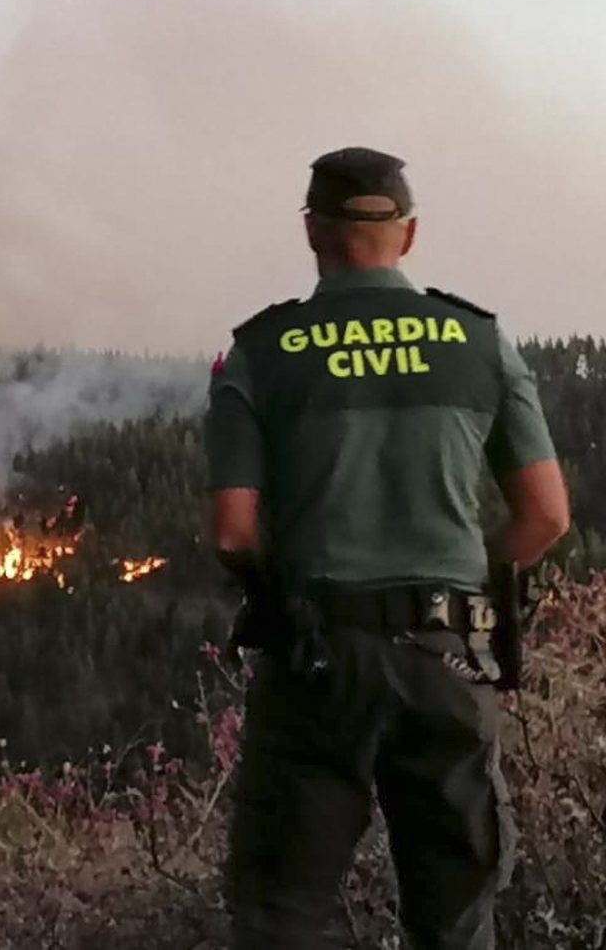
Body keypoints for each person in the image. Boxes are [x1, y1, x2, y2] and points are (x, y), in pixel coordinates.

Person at [205, 147, 571, 950]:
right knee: (456, 918)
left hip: (317, 660)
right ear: (407, 235)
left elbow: (233, 527)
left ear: (312, 232)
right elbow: (545, 515)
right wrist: (465, 571)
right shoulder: (479, 341)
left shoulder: (261, 351)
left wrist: (278, 588)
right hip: (447, 658)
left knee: (280, 916)